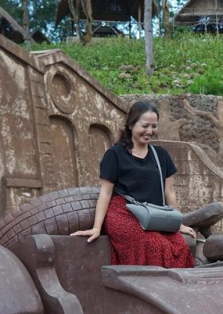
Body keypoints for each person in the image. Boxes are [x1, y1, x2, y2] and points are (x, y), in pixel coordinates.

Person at [72, 101, 196, 268]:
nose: (150, 131)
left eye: (154, 126)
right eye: (145, 125)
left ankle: (177, 292)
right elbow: (106, 193)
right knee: (153, 245)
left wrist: (177, 223)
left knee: (180, 247)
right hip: (124, 214)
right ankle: (145, 290)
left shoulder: (161, 155)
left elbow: (170, 192)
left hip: (155, 214)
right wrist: (96, 227)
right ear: (130, 125)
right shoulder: (114, 154)